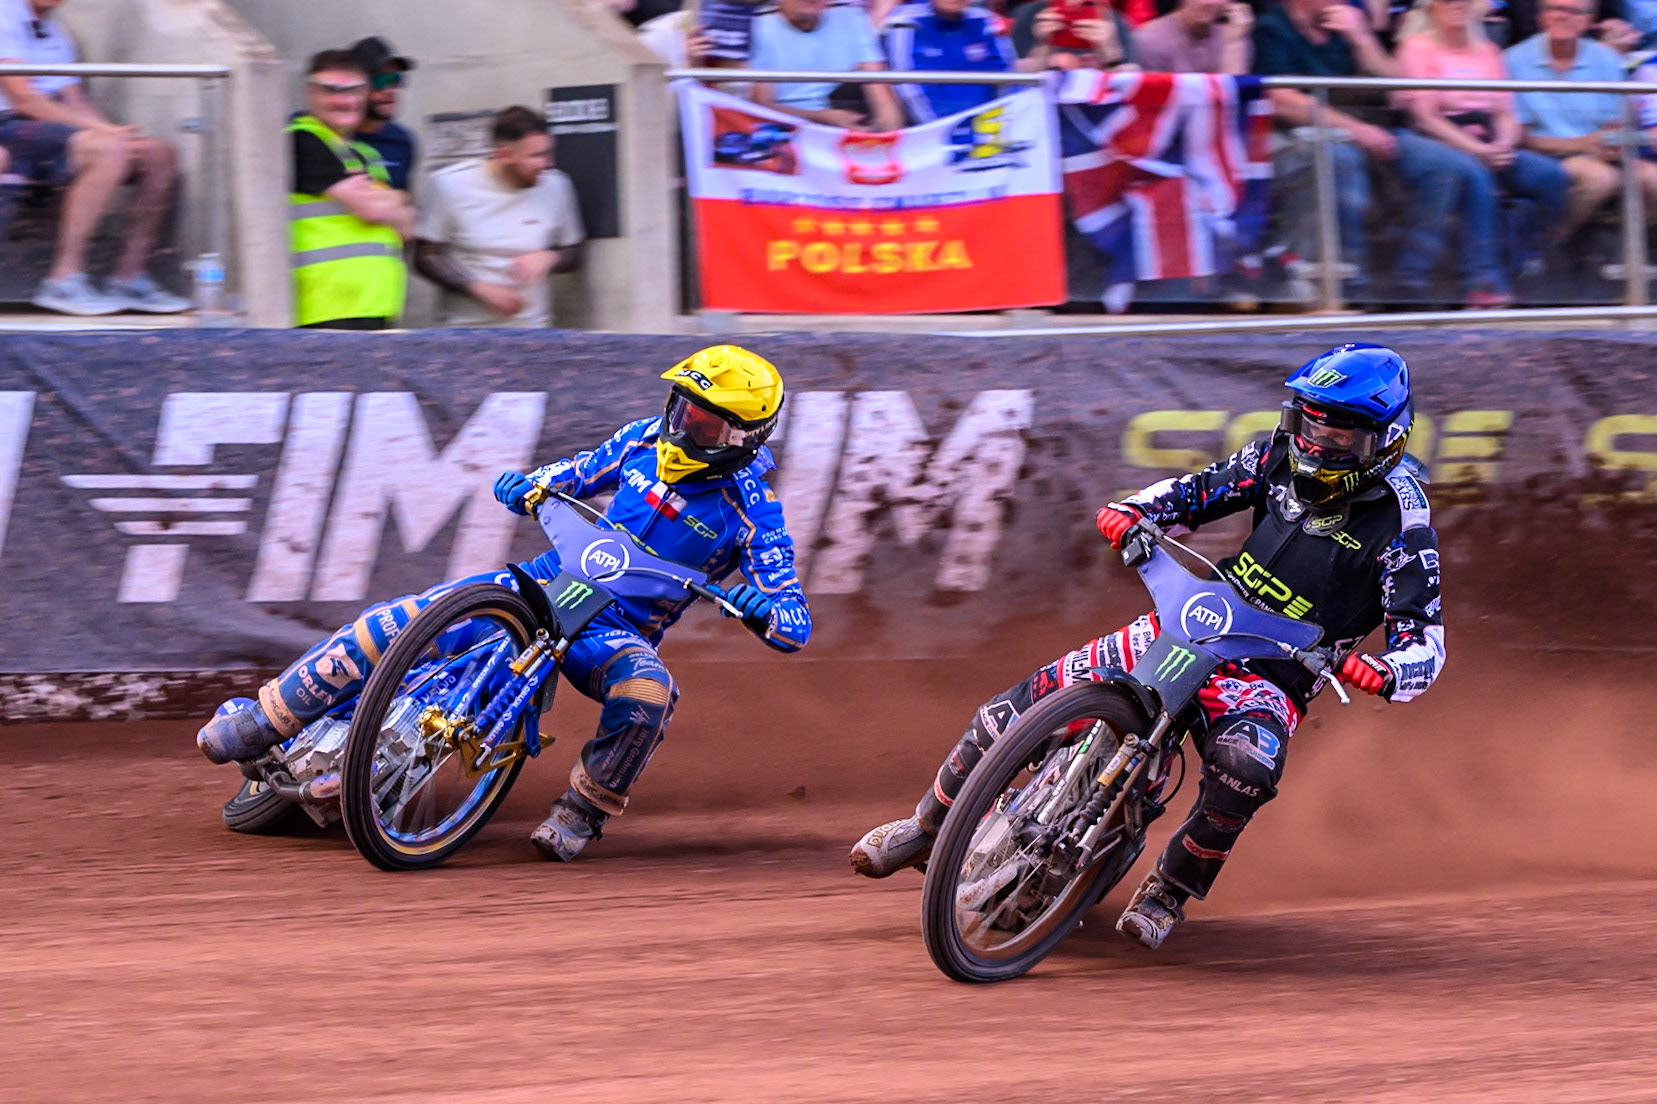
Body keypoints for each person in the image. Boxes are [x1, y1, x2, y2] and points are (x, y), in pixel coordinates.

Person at [851, 344, 1446, 950]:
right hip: (1195, 623)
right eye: (1310, 424)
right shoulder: (1276, 455)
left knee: (1246, 771)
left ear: (1387, 440)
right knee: (1016, 708)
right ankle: (926, 827)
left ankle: (1170, 890)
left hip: (1273, 673)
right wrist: (1136, 511)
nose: (1318, 446)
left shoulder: (1403, 525)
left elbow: (1424, 643)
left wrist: (1385, 671)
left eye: (1341, 437)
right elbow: (1199, 491)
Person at [198, 345, 813, 862]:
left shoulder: (753, 512)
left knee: (650, 693)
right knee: (402, 617)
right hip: (541, 582)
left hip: (615, 630)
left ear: (740, 437)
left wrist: (763, 612)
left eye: (703, 424)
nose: (681, 427)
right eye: (680, 408)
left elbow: (794, 620)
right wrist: (526, 485)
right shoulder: (640, 440)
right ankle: (267, 720)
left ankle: (583, 810)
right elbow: (568, 474)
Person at [1254, 0, 1490, 301]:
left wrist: (1361, 37)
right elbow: (1283, 99)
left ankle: (1410, 278)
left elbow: (1399, 88)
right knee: (1340, 158)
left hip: (1373, 125)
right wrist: (1356, 131)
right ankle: (1353, 281)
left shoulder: (1350, 20)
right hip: (1302, 135)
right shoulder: (1273, 28)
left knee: (1446, 165)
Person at [0, 0, 189, 315]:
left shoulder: (58, 35)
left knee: (157, 154)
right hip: (11, 127)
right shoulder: (4, 13)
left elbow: (76, 102)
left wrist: (117, 132)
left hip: (57, 133)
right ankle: (64, 280)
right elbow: (24, 100)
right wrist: (102, 132)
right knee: (107, 149)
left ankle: (129, 278)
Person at [1393, 0, 1569, 305]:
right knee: (1476, 173)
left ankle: (1535, 267)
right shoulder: (1417, 47)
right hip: (1437, 141)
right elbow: (1425, 117)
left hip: (1488, 140)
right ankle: (1482, 281)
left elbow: (1506, 112)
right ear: (1432, 7)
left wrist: (1503, 144)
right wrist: (1478, 150)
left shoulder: (1489, 51)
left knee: (1549, 175)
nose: (1456, 5)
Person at [413, 106, 585, 328]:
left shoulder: (558, 185)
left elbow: (575, 252)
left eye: (547, 153)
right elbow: (425, 257)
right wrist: (477, 288)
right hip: (465, 331)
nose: (546, 164)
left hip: (533, 329)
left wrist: (550, 257)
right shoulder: (448, 185)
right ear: (504, 154)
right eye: (536, 156)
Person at [1506, 0, 1657, 237]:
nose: (1561, 16)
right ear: (1540, 16)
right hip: (1544, 155)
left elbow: (1614, 124)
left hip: (1597, 152)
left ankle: (1617, 248)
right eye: (1553, 8)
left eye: (1573, 11)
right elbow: (1520, 139)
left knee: (1653, 179)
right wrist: (1581, 144)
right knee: (1600, 179)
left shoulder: (1608, 60)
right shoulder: (1513, 61)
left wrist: (1616, 142)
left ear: (1589, 20)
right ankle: (1554, 242)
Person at [288, 49, 412, 330]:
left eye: (353, 90)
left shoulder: (363, 152)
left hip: (374, 306)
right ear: (311, 94)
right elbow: (374, 209)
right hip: (325, 311)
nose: (343, 100)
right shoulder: (301, 139)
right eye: (330, 90)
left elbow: (408, 226)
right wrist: (391, 201)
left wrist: (391, 204)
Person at [748, 0, 904, 131]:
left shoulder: (850, 17)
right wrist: (820, 117)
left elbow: (881, 93)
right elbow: (761, 108)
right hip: (786, 131)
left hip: (847, 129)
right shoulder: (759, 25)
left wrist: (891, 140)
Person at [883, 0, 1017, 123]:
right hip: (929, 131)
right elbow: (908, 86)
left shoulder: (987, 21)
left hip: (987, 127)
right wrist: (937, 129)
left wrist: (996, 124)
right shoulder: (905, 22)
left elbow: (1008, 79)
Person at [347, 36, 418, 193]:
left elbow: (403, 200)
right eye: (379, 81)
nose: (389, 90)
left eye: (395, 79)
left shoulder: (402, 141)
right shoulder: (329, 137)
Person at [1012, 0, 1139, 71]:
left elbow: (1131, 76)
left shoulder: (1112, 19)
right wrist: (1043, 46)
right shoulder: (1031, 15)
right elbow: (1016, 76)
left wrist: (1109, 51)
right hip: (1043, 100)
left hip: (1096, 103)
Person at [1132, 0, 1254, 74]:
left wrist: (1233, 44)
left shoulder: (1234, 35)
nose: (1208, 2)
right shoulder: (1149, 40)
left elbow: (1238, 101)